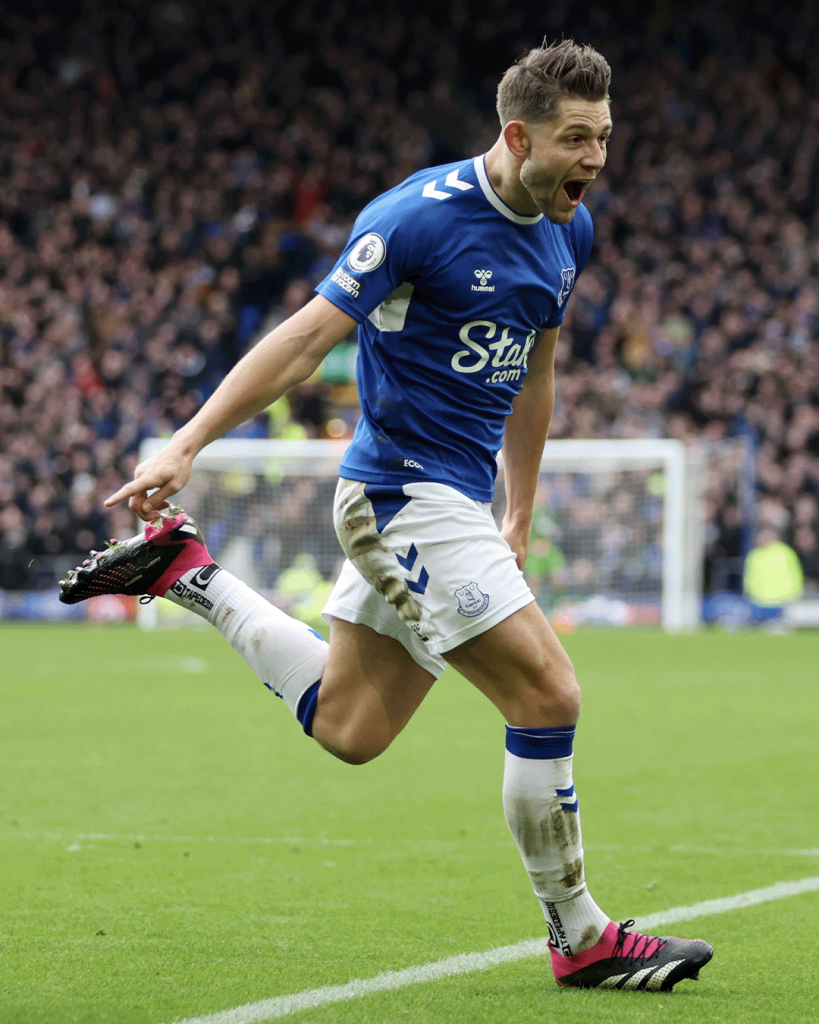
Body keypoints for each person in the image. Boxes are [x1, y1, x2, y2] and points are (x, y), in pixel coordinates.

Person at [60, 39, 712, 991]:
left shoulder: (570, 232)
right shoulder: (416, 218)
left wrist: (518, 507)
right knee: (549, 696)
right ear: (516, 134)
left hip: (452, 499)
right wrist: (186, 442)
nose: (595, 161)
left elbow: (536, 367)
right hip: (400, 492)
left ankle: (182, 572)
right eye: (576, 140)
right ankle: (581, 938)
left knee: (352, 728)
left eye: (605, 138)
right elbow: (300, 342)